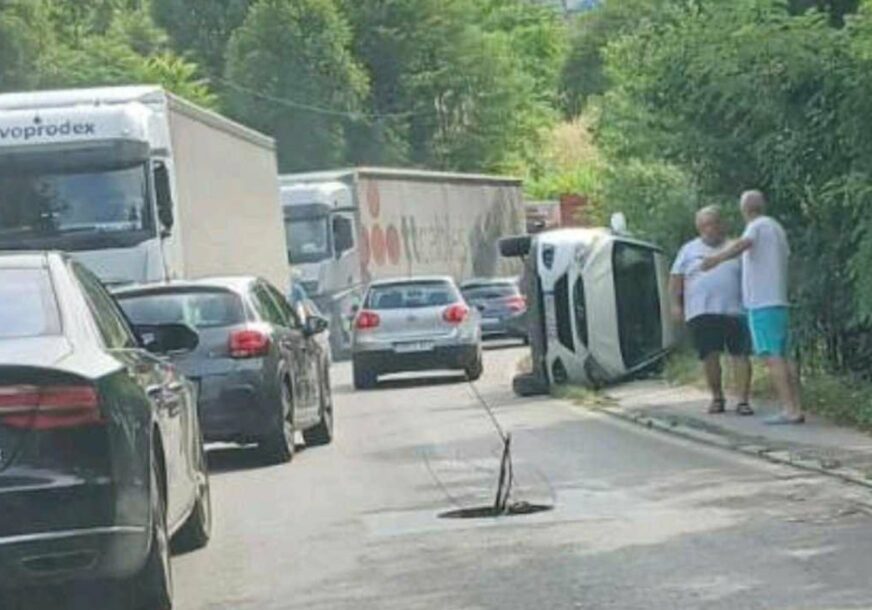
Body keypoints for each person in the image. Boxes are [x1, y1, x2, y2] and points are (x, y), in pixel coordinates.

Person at [702, 190, 803, 425]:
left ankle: (789, 409)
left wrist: (716, 259)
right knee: (785, 357)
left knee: (772, 357)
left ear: (745, 209)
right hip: (778, 300)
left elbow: (744, 244)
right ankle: (795, 406)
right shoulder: (776, 229)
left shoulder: (756, 226)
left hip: (762, 302)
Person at [671, 206, 753, 415]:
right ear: (699, 228)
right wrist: (676, 305)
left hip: (736, 309)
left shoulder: (736, 247)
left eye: (714, 223)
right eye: (705, 225)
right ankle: (717, 397)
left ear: (722, 224)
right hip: (702, 310)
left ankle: (743, 401)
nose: (711, 228)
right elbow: (676, 278)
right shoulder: (688, 250)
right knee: (709, 355)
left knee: (741, 354)